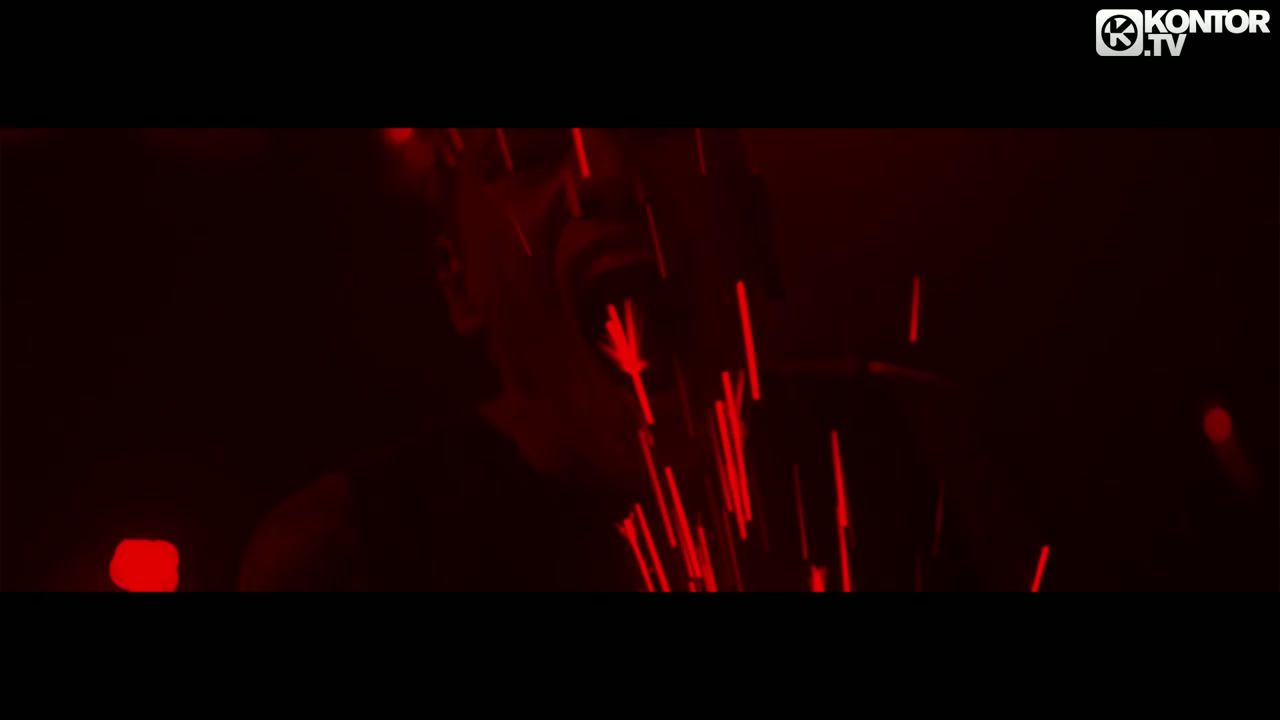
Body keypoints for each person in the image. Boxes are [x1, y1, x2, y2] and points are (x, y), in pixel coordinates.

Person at [239, 128, 1034, 592]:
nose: (604, 178)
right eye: (527, 153)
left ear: (747, 213)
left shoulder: (922, 449)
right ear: (458, 281)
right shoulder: (346, 553)